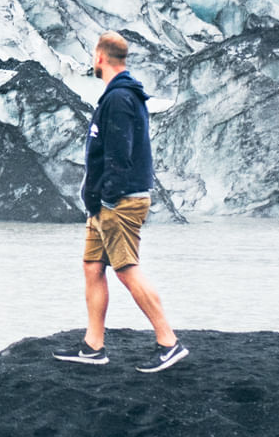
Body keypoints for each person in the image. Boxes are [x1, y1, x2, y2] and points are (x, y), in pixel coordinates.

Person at [53, 31, 187, 372]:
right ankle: (93, 346)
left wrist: (108, 197)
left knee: (126, 269)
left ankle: (169, 342)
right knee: (92, 267)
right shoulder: (118, 96)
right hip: (104, 203)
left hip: (119, 201)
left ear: (100, 57)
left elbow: (119, 155)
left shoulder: (119, 99)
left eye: (93, 56)